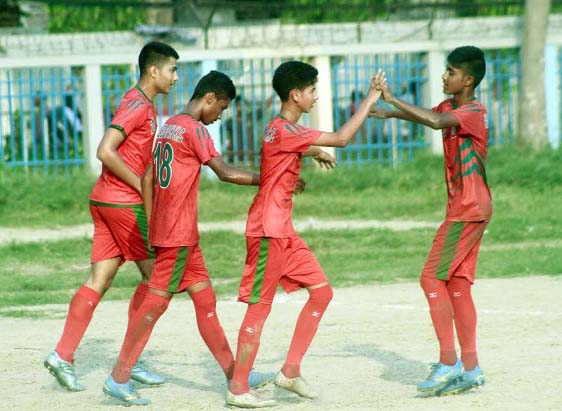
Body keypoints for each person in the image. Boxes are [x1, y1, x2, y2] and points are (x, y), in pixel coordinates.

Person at [102, 71, 293, 406]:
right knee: (156, 304)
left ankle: (237, 374)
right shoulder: (194, 129)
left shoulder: (169, 124)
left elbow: (147, 176)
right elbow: (225, 172)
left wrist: (152, 222)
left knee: (206, 303)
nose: (221, 115)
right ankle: (118, 377)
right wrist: (270, 178)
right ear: (209, 98)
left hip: (178, 234)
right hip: (177, 235)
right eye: (221, 107)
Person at [225, 61, 385, 408]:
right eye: (312, 90)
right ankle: (238, 388)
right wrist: (371, 100)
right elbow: (342, 138)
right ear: (295, 95)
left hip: (283, 231)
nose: (315, 96)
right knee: (259, 309)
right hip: (268, 231)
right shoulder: (285, 130)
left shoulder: (278, 127)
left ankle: (290, 371)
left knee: (322, 293)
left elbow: (279, 153)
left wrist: (311, 151)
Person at [44, 41, 180, 392]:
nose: (175, 77)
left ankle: (62, 355)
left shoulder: (142, 103)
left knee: (99, 280)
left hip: (104, 201)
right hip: (124, 204)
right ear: (154, 71)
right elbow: (105, 151)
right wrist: (141, 186)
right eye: (172, 70)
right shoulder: (136, 104)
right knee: (157, 282)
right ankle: (128, 363)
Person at [369, 45, 490, 396]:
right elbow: (428, 115)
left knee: (430, 279)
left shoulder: (472, 110)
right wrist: (390, 113)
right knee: (457, 285)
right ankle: (471, 367)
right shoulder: (450, 106)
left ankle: (448, 363)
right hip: (471, 207)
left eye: (451, 71)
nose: (444, 75)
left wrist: (391, 98)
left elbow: (435, 121)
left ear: (467, 80)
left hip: (467, 208)